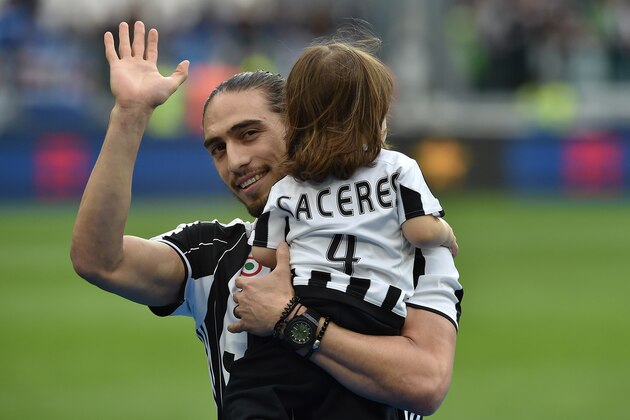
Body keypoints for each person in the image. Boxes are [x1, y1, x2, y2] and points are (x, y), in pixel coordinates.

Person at [70, 21, 463, 419]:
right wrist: (130, 114)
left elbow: (424, 383)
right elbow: (100, 260)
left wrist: (288, 319)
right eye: (217, 149)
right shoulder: (215, 252)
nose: (235, 161)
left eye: (249, 134)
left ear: (299, 127)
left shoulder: (416, 247)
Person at [223, 37, 458, 419]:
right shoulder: (397, 168)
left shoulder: (286, 188)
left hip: (307, 295)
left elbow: (263, 255)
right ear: (373, 114)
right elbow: (420, 231)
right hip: (374, 313)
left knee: (253, 388)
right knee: (356, 402)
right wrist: (445, 234)